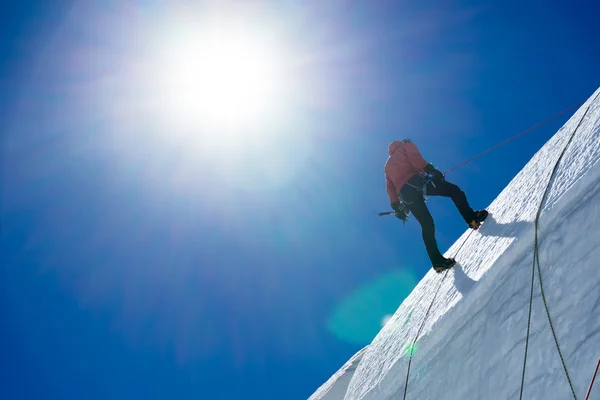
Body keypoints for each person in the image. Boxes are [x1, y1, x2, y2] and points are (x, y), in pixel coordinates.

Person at [384, 139, 488, 273]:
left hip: (405, 195)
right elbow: (415, 159)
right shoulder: (406, 146)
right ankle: (472, 218)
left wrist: (395, 205)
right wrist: (430, 169)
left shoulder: (387, 167)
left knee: (426, 224)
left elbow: (390, 187)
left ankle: (437, 261)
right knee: (454, 191)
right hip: (417, 182)